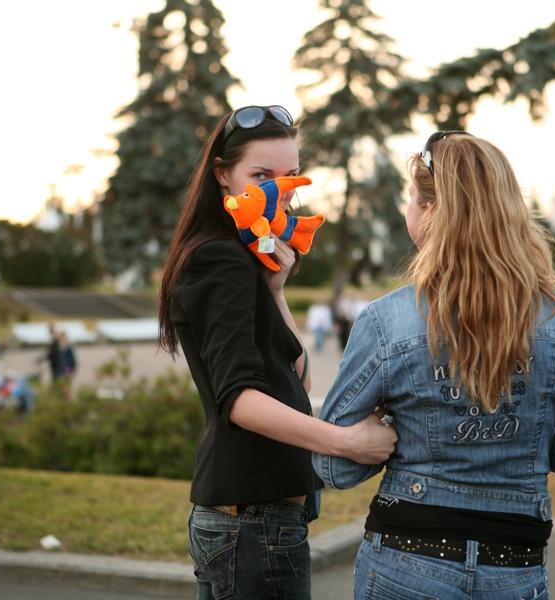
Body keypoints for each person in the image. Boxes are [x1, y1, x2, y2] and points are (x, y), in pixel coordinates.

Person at [314, 132, 555, 599]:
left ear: (432, 211)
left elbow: (334, 468)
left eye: (411, 198)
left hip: (406, 558)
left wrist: (398, 430)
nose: (408, 209)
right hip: (513, 563)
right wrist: (524, 436)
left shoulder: (386, 321)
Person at [156, 104, 397, 599]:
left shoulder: (244, 261)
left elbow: (297, 379)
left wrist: (275, 291)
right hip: (253, 520)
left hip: (252, 520)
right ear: (222, 174)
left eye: (289, 177)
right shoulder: (219, 258)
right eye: (261, 176)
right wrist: (345, 443)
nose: (278, 191)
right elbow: (240, 401)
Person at [0, 344, 35, 413]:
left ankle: (24, 408)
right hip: (0, 392)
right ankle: (27, 411)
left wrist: (6, 379)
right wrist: (5, 381)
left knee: (22, 382)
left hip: (2, 388)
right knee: (24, 387)